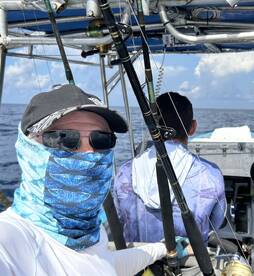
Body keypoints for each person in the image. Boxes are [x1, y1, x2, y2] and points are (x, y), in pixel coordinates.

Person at [0, 84, 175, 275]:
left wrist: (161, 249)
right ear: (28, 148)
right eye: (63, 138)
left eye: (100, 140)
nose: (89, 154)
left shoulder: (90, 231)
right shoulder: (10, 240)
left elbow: (103, 265)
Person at [114, 92, 226, 243]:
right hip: (191, 265)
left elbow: (119, 219)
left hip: (134, 263)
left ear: (151, 127)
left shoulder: (125, 172)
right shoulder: (211, 174)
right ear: (192, 127)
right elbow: (217, 222)